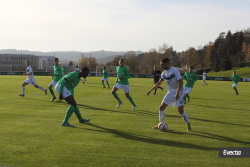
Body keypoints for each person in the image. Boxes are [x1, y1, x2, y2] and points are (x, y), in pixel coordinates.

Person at [147, 58, 191, 131]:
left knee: (181, 112)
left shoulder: (174, 70)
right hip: (170, 92)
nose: (161, 66)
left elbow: (181, 81)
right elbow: (159, 83)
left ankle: (188, 124)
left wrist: (177, 92)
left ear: (167, 63)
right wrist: (150, 90)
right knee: (161, 107)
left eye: (162, 64)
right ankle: (160, 124)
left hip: (179, 92)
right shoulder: (163, 73)